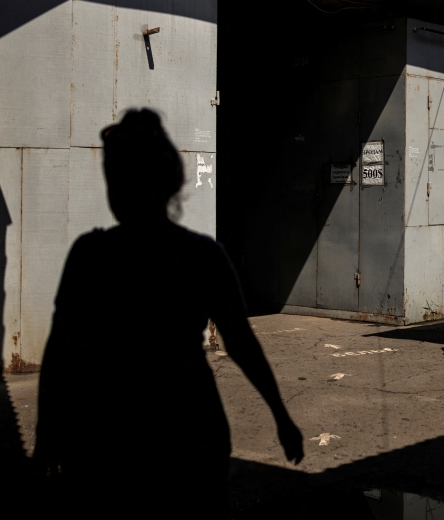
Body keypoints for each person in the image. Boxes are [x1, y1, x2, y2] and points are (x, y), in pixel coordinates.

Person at [34, 109, 303, 508]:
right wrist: (280, 416)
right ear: (171, 182)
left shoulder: (91, 256)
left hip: (109, 436)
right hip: (191, 429)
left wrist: (47, 438)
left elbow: (61, 354)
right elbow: (241, 342)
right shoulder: (203, 256)